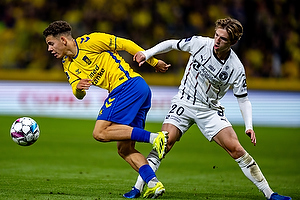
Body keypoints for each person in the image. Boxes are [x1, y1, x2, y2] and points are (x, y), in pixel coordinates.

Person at [124, 17, 292, 200]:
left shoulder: (236, 68)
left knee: (236, 148)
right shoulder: (199, 43)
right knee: (163, 143)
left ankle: (270, 194)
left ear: (233, 42)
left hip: (209, 110)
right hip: (184, 102)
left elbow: (243, 99)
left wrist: (248, 126)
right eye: (216, 35)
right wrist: (147, 54)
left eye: (223, 39)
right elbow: (172, 44)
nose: (217, 41)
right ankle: (138, 188)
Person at [42, 20, 170, 199]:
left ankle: (155, 137)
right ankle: (153, 184)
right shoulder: (68, 64)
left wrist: (153, 61)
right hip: (138, 90)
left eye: (51, 44)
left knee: (100, 132)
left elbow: (126, 44)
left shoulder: (91, 41)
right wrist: (78, 88)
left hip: (127, 85)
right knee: (124, 149)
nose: (49, 49)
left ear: (63, 40)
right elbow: (78, 94)